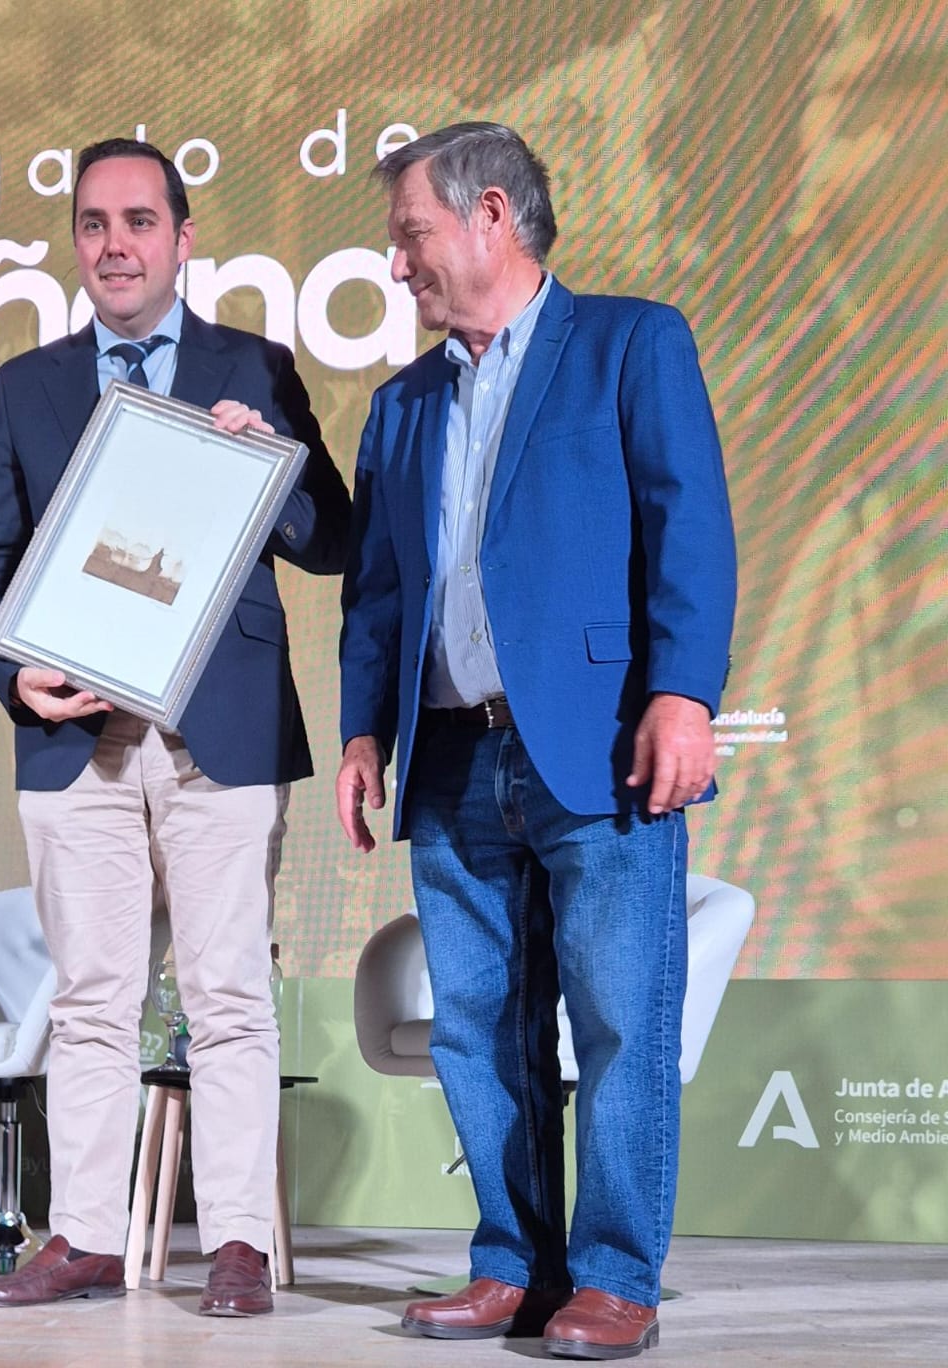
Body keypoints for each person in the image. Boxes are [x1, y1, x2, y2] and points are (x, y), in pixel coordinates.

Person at [336, 123, 735, 1359]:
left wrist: (684, 694)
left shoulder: (630, 341)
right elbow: (378, 593)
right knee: (476, 1028)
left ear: (489, 215)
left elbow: (690, 527)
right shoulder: (400, 404)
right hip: (450, 757)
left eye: (410, 235)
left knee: (620, 1018)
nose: (397, 264)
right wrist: (361, 733)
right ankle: (511, 1266)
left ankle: (613, 1278)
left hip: (599, 748)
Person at [0, 138, 350, 1317]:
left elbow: (331, 539)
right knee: (89, 995)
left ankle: (233, 1243)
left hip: (215, 733)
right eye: (92, 224)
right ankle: (81, 1234)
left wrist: (265, 468)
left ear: (182, 240)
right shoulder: (29, 383)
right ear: (74, 244)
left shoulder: (256, 364)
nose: (114, 244)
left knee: (226, 993)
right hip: (77, 740)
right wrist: (15, 677)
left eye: (138, 221)